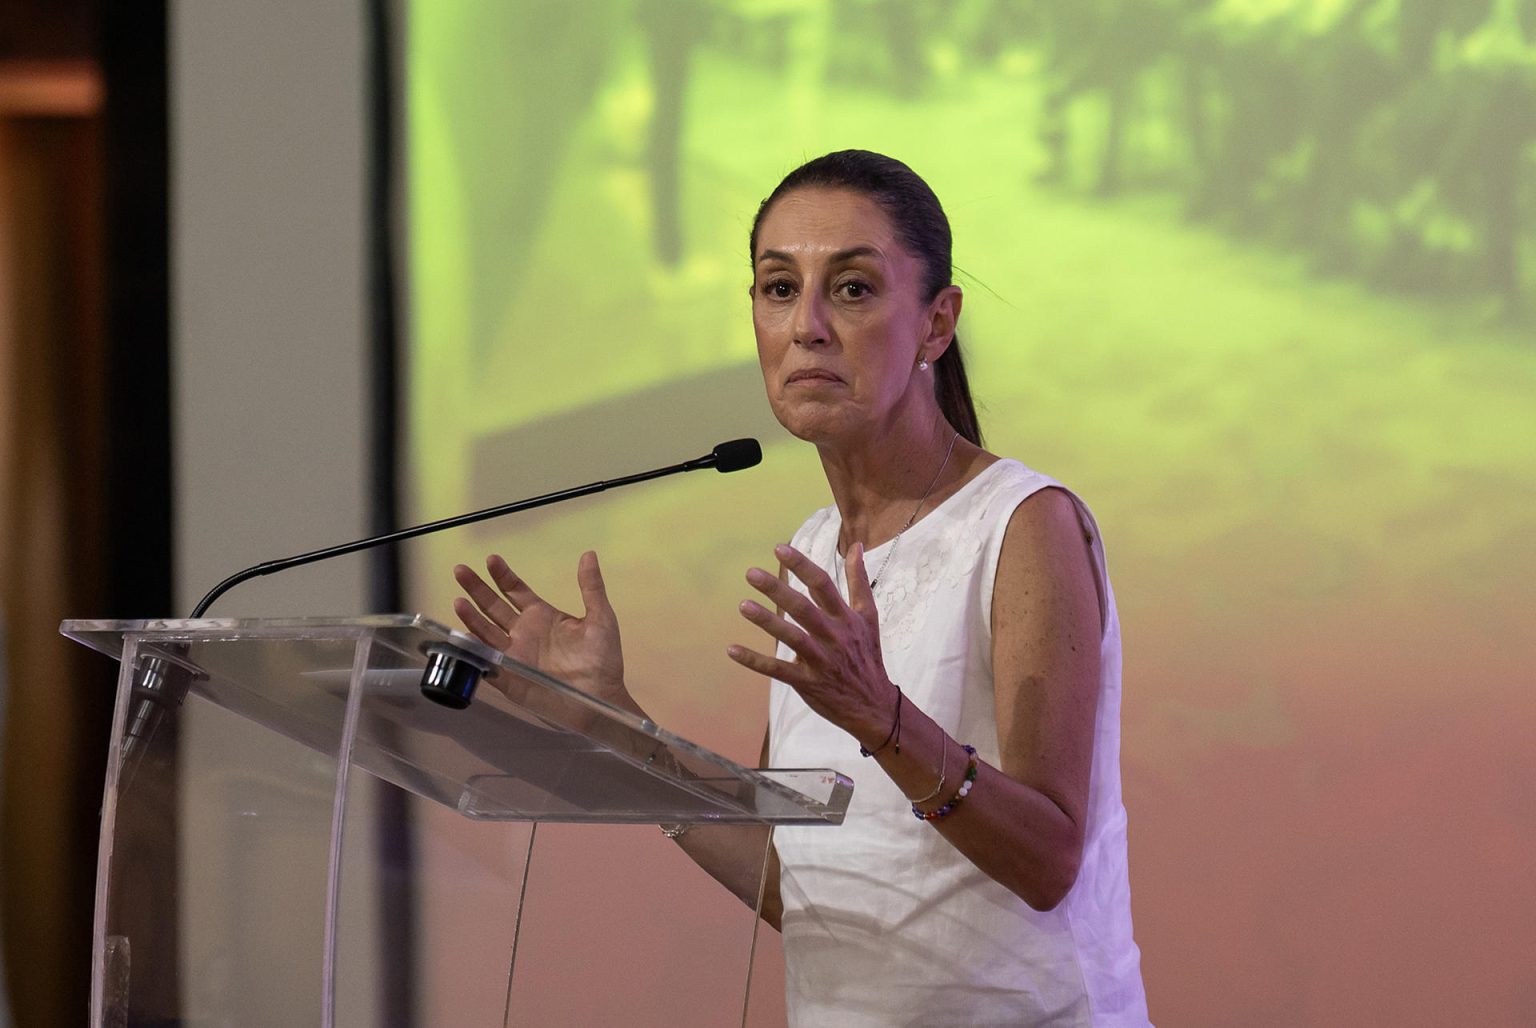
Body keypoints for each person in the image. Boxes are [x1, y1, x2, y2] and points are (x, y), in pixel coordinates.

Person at [453, 150, 1149, 1026]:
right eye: (778, 288)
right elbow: (804, 891)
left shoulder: (1021, 523)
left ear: (937, 325)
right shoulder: (814, 550)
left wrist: (883, 720)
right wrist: (617, 729)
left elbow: (1050, 860)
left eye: (852, 289)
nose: (807, 325)